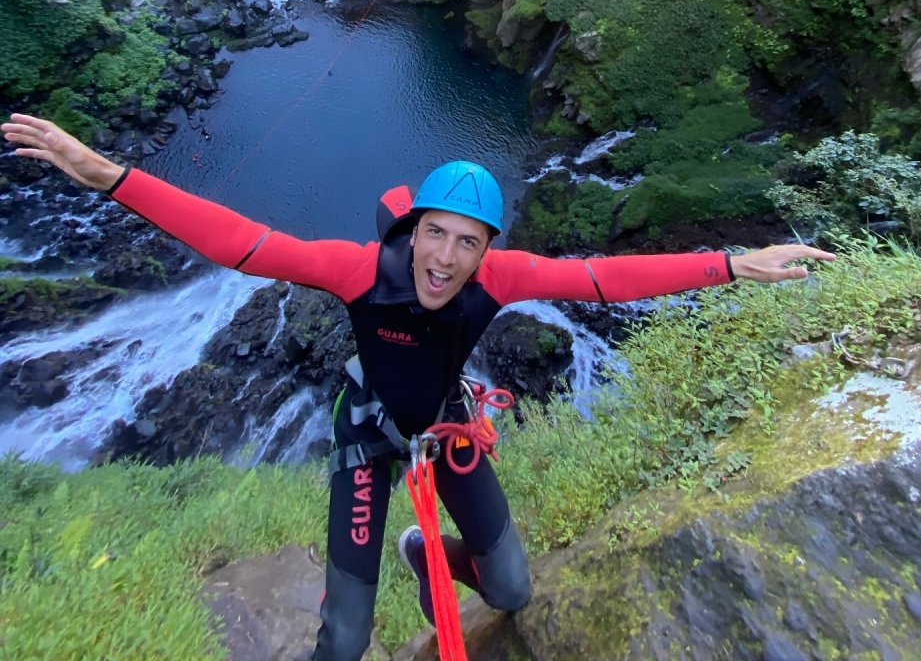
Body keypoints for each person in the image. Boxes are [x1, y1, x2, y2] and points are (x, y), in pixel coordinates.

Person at [2, 113, 835, 661]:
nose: (446, 258)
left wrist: (733, 264)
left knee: (511, 589)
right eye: (435, 234)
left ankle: (422, 553)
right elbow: (244, 245)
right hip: (369, 436)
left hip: (444, 429)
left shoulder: (500, 278)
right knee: (345, 640)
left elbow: (604, 279)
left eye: (468, 243)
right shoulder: (362, 270)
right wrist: (108, 175)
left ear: (487, 250)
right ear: (412, 231)